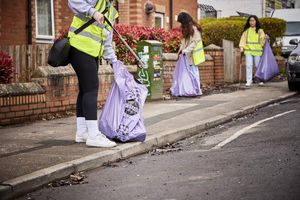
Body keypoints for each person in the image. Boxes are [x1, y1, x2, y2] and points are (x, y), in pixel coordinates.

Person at [68, 0, 119, 147]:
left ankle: (82, 132)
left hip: (93, 52)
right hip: (79, 47)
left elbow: (107, 39)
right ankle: (93, 135)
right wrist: (92, 12)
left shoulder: (112, 11)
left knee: (85, 90)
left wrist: (113, 60)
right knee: (91, 89)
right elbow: (72, 2)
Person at [177, 12, 205, 95]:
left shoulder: (194, 29)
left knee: (194, 72)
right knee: (188, 73)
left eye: (181, 22)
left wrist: (185, 50)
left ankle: (197, 90)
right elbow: (184, 41)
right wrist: (180, 50)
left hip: (193, 56)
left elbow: (195, 43)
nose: (181, 24)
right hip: (187, 55)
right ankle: (191, 89)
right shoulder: (187, 28)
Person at [239, 15, 266, 87]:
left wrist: (264, 38)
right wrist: (241, 47)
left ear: (256, 21)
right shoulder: (246, 31)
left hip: (257, 51)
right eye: (250, 20)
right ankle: (249, 81)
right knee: (249, 65)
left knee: (257, 66)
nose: (251, 22)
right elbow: (243, 40)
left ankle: (260, 79)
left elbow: (263, 41)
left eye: (253, 20)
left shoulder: (260, 31)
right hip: (248, 50)